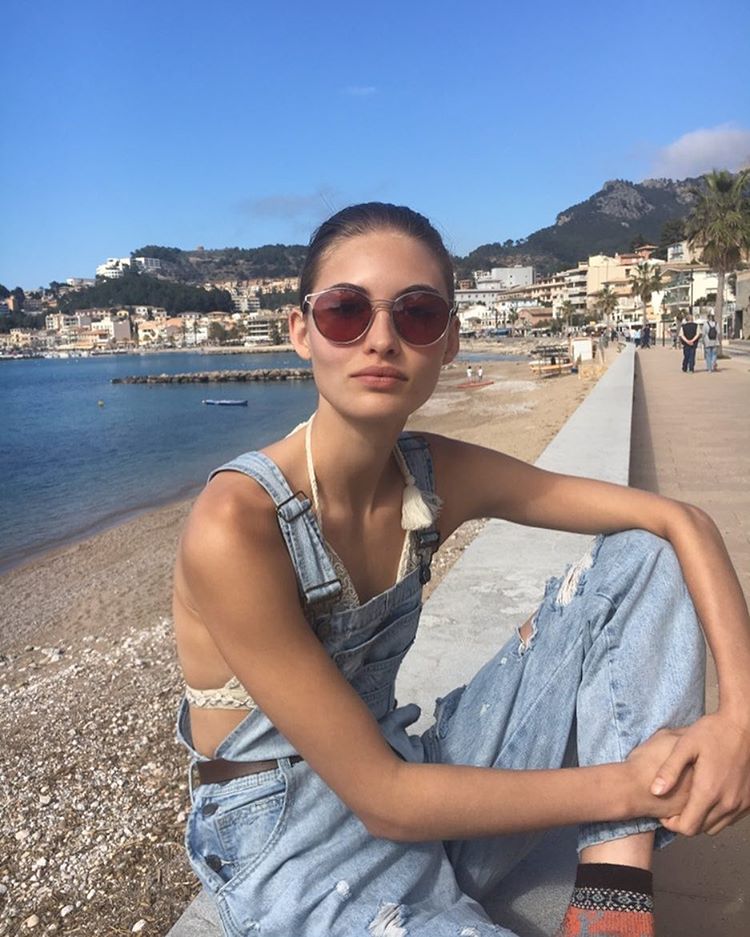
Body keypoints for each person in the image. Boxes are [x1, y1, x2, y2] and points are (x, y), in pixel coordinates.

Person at [173, 203, 750, 937]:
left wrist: (740, 721)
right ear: (301, 331)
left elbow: (678, 521)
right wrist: (634, 785)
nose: (381, 337)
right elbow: (384, 799)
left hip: (411, 782)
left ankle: (611, 901)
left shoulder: (432, 473)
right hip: (292, 851)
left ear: (448, 340)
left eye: (415, 313)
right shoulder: (238, 524)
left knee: (644, 554)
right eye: (346, 311)